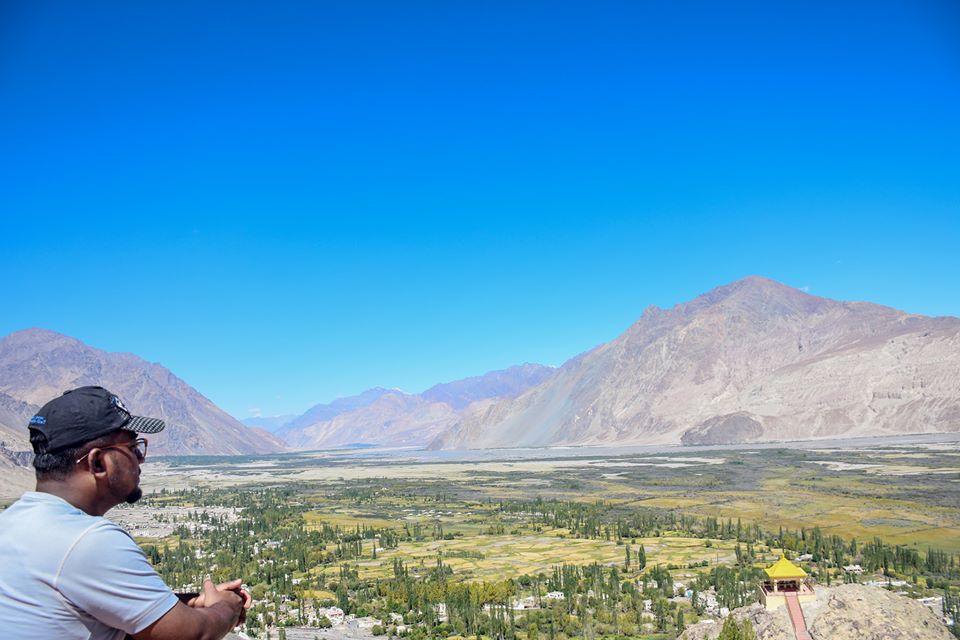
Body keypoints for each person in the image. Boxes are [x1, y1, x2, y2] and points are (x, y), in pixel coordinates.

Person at [0, 386, 252, 640]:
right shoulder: (89, 541)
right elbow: (193, 635)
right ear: (98, 462)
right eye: (132, 448)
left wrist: (192, 604)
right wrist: (227, 606)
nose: (140, 459)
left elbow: (100, 609)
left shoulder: (12, 523)